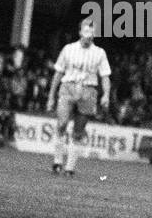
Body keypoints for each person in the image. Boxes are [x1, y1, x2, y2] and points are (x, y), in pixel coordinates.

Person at [45, 17, 111, 176]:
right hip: (68, 87)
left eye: (91, 32)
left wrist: (106, 94)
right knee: (62, 123)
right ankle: (57, 161)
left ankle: (70, 168)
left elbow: (105, 76)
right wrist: (51, 96)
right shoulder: (68, 49)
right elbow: (58, 72)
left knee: (78, 131)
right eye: (85, 31)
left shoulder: (99, 53)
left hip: (88, 91)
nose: (88, 35)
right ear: (80, 31)